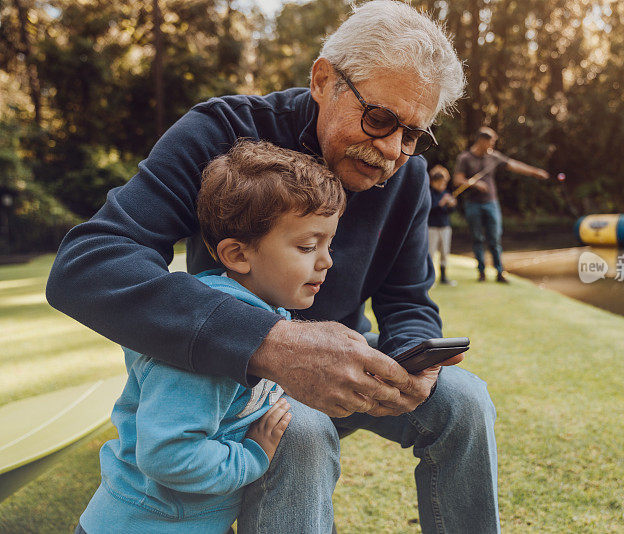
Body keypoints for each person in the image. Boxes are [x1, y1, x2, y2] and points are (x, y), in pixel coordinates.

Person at [47, 2, 499, 532]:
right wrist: (270, 344)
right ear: (324, 79)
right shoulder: (221, 131)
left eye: (413, 135)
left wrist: (417, 358)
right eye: (379, 119)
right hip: (239, 379)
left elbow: (407, 300)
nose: (391, 151)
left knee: (466, 399)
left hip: (348, 366)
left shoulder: (408, 175)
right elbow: (88, 264)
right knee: (299, 428)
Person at [75, 141, 346, 534]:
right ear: (237, 255)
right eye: (307, 246)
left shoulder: (262, 314)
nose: (326, 260)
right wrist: (253, 456)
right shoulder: (212, 348)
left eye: (328, 244)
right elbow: (166, 454)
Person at [453, 126, 550, 283]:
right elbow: (457, 179)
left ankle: (499, 272)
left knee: (494, 238)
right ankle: (482, 272)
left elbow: (514, 165)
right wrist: (475, 184)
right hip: (473, 204)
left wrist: (535, 172)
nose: (492, 145)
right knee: (477, 238)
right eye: (491, 142)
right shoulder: (465, 158)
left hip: (491, 203)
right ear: (482, 141)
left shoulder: (494, 157)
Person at [427, 164, 457, 286]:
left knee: (445, 252)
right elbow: (430, 208)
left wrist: (452, 205)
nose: (442, 185)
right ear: (433, 182)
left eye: (443, 183)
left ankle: (444, 277)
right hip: (432, 227)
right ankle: (429, 278)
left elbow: (450, 211)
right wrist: (441, 203)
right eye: (439, 183)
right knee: (430, 252)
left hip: (445, 226)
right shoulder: (429, 193)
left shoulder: (446, 193)